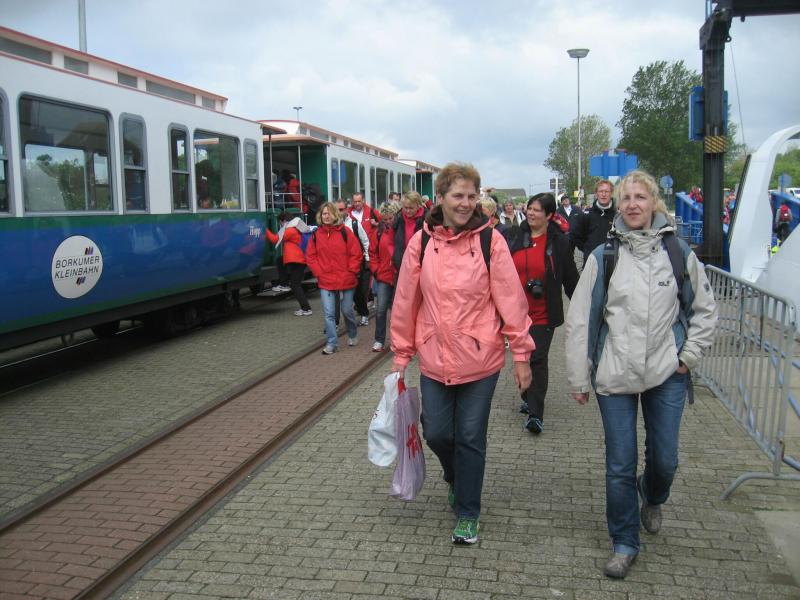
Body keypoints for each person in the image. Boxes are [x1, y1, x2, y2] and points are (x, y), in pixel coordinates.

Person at [564, 170, 717, 579]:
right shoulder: (604, 256)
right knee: (619, 464)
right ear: (618, 205)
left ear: (654, 203)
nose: (633, 204)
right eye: (626, 197)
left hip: (667, 371)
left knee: (665, 459)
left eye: (640, 197)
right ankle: (624, 542)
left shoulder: (678, 252)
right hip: (614, 373)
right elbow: (581, 320)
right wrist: (579, 376)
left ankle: (652, 493)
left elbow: (704, 310)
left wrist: (688, 356)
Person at [391, 162, 534, 545]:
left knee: (470, 436)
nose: (465, 203)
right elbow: (406, 301)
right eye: (458, 195)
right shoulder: (421, 243)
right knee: (437, 433)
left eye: (472, 196)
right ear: (439, 197)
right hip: (434, 357)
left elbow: (511, 300)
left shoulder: (491, 241)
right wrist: (402, 354)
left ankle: (469, 512)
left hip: (481, 358)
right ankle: (455, 477)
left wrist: (521, 355)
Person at [507, 193, 578, 434]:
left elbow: (570, 277)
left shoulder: (559, 242)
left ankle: (535, 414)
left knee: (537, 358)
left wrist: (582, 305)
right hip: (516, 313)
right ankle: (528, 395)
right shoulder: (515, 236)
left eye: (537, 210)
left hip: (544, 312)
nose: (531, 213)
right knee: (523, 357)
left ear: (549, 215)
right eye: (529, 208)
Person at [306, 202, 363, 354]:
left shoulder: (345, 232)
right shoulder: (316, 235)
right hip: (326, 280)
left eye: (329, 213)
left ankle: (352, 333)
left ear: (335, 215)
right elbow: (311, 257)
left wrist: (351, 271)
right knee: (329, 313)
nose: (326, 216)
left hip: (346, 278)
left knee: (347, 309)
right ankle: (332, 343)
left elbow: (356, 253)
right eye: (324, 213)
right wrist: (319, 272)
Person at [265, 212, 312, 315]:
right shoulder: (297, 227)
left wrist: (265, 229)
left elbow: (275, 239)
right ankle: (284, 283)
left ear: (283, 221)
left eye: (280, 223)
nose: (280, 225)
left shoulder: (290, 230)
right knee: (280, 261)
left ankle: (306, 309)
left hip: (296, 260)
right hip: (298, 259)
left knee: (296, 286)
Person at [368, 202, 400, 352]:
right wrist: (376, 270)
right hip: (383, 276)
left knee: (397, 312)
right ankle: (379, 340)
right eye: (385, 219)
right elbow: (372, 253)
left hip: (399, 276)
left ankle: (398, 341)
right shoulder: (378, 233)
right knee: (381, 309)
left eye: (390, 218)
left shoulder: (400, 231)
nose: (388, 222)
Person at [336, 200, 371, 326]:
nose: (339, 212)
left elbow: (365, 241)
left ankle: (364, 313)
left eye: (341, 209)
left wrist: (367, 260)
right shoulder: (332, 226)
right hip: (339, 265)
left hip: (355, 263)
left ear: (347, 210)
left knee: (357, 292)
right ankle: (335, 322)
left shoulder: (354, 224)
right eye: (337, 210)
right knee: (336, 294)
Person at [570, 179, 616, 263]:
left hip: (613, 262)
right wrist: (587, 249)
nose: (603, 194)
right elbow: (575, 236)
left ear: (611, 193)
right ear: (596, 194)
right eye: (601, 191)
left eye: (606, 191)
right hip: (591, 261)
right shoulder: (586, 215)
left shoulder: (617, 216)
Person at [391, 190, 427, 270]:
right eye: (405, 207)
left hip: (420, 265)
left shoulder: (426, 219)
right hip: (401, 265)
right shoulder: (398, 218)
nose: (407, 211)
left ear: (418, 206)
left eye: (411, 208)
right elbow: (390, 240)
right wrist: (394, 257)